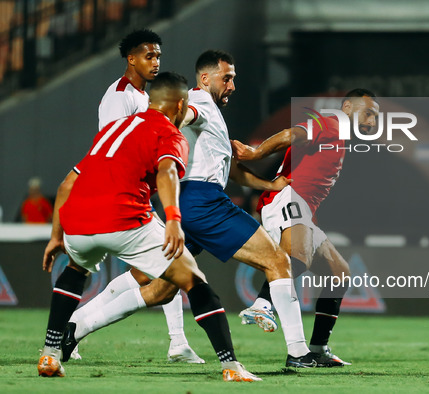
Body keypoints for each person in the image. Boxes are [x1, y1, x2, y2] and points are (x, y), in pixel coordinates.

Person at [64, 50, 328, 368]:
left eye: (233, 79)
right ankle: (299, 353)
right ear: (205, 78)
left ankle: (74, 329)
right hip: (204, 203)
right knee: (277, 261)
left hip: (189, 202)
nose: (232, 85)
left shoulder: (209, 110)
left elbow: (224, 165)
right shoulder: (198, 103)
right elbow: (180, 117)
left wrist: (268, 185)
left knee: (160, 290)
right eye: (226, 78)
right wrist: (149, 127)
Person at [37, 72, 259, 382]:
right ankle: (231, 366)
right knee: (194, 279)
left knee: (75, 270)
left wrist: (55, 236)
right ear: (181, 105)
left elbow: (66, 185)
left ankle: (50, 353)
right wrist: (172, 219)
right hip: (126, 219)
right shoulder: (170, 134)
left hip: (78, 220)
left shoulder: (114, 128)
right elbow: (168, 173)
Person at [72, 28, 203, 364]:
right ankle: (72, 329)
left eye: (158, 55)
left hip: (136, 194)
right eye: (149, 55)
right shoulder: (120, 97)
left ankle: (72, 327)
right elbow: (112, 149)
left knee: (160, 265)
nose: (156, 61)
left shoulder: (146, 97)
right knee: (170, 261)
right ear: (131, 59)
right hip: (118, 197)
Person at [231, 89, 379, 367]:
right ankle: (263, 305)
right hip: (287, 197)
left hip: (303, 209)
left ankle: (318, 348)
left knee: (340, 274)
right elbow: (291, 134)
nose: (371, 121)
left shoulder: (340, 135)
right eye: (368, 112)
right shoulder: (331, 122)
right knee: (298, 258)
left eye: (376, 117)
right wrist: (255, 152)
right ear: (347, 107)